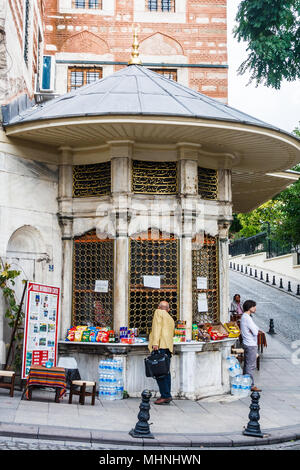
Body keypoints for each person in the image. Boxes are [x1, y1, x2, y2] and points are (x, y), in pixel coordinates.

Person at [148, 301, 175, 405]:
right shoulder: (170, 318)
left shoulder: (158, 312)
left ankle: (165, 396)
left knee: (160, 373)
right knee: (166, 372)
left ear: (158, 307)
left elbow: (156, 328)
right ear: (168, 309)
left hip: (160, 346)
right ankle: (167, 395)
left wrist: (155, 343)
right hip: (168, 347)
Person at [240, 300, 261, 392]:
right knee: (250, 365)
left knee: (247, 365)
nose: (255, 308)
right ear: (249, 307)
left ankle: (245, 382)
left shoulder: (245, 317)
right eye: (254, 306)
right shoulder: (247, 318)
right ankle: (250, 385)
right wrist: (254, 331)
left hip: (247, 343)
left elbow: (255, 328)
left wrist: (254, 330)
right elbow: (256, 331)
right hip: (250, 344)